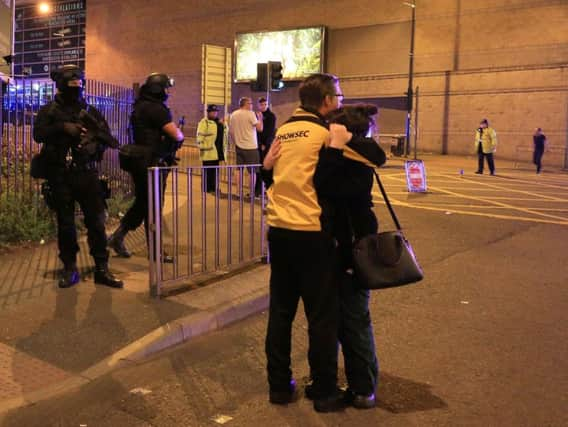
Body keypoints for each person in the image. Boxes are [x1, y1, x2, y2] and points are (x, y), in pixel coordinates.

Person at [260, 73, 345, 413]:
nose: (340, 101)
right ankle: (324, 391)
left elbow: (274, 175)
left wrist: (265, 170)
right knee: (322, 315)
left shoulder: (283, 130)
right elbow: (332, 184)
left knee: (280, 312)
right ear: (325, 101)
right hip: (312, 233)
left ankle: (279, 386)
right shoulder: (326, 134)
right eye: (337, 95)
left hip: (279, 231)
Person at [314, 104, 386, 409]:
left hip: (351, 249)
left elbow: (325, 184)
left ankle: (364, 387)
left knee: (354, 319)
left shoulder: (354, 158)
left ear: (345, 132)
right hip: (342, 246)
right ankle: (358, 382)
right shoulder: (354, 153)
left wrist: (333, 148)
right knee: (344, 319)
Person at [33, 65, 123, 289]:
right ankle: (70, 268)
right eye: (72, 83)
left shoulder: (90, 110)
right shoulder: (49, 111)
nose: (77, 87)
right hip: (60, 174)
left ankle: (101, 268)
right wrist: (63, 127)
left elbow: (107, 137)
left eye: (78, 83)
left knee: (96, 222)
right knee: (65, 224)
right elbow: (39, 134)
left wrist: (94, 143)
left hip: (86, 173)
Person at [107, 73, 184, 260]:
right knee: (154, 207)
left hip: (140, 162)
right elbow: (177, 135)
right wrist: (177, 135)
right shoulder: (157, 109)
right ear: (158, 89)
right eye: (166, 88)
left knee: (143, 203)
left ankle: (118, 236)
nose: (167, 91)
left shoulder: (139, 106)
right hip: (153, 163)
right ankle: (156, 251)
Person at [229, 97, 263, 197]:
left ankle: (238, 191)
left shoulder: (234, 114)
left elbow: (231, 131)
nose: (252, 105)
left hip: (239, 146)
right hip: (251, 147)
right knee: (252, 171)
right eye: (251, 103)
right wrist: (260, 118)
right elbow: (260, 128)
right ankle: (251, 192)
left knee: (238, 169)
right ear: (246, 104)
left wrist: (235, 141)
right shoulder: (251, 114)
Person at [196, 104, 227, 193]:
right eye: (212, 112)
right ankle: (206, 188)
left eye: (215, 112)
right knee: (207, 171)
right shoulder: (204, 122)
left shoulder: (219, 122)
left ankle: (213, 188)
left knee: (214, 171)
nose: (214, 114)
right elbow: (200, 136)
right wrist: (202, 146)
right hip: (208, 151)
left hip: (216, 151)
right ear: (208, 112)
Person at [256, 97, 276, 195]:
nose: (263, 106)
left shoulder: (271, 116)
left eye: (265, 104)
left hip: (266, 144)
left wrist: (265, 144)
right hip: (258, 144)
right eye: (261, 104)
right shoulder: (256, 115)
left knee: (266, 168)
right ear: (258, 105)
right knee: (258, 169)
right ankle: (258, 190)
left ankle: (267, 188)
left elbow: (269, 131)